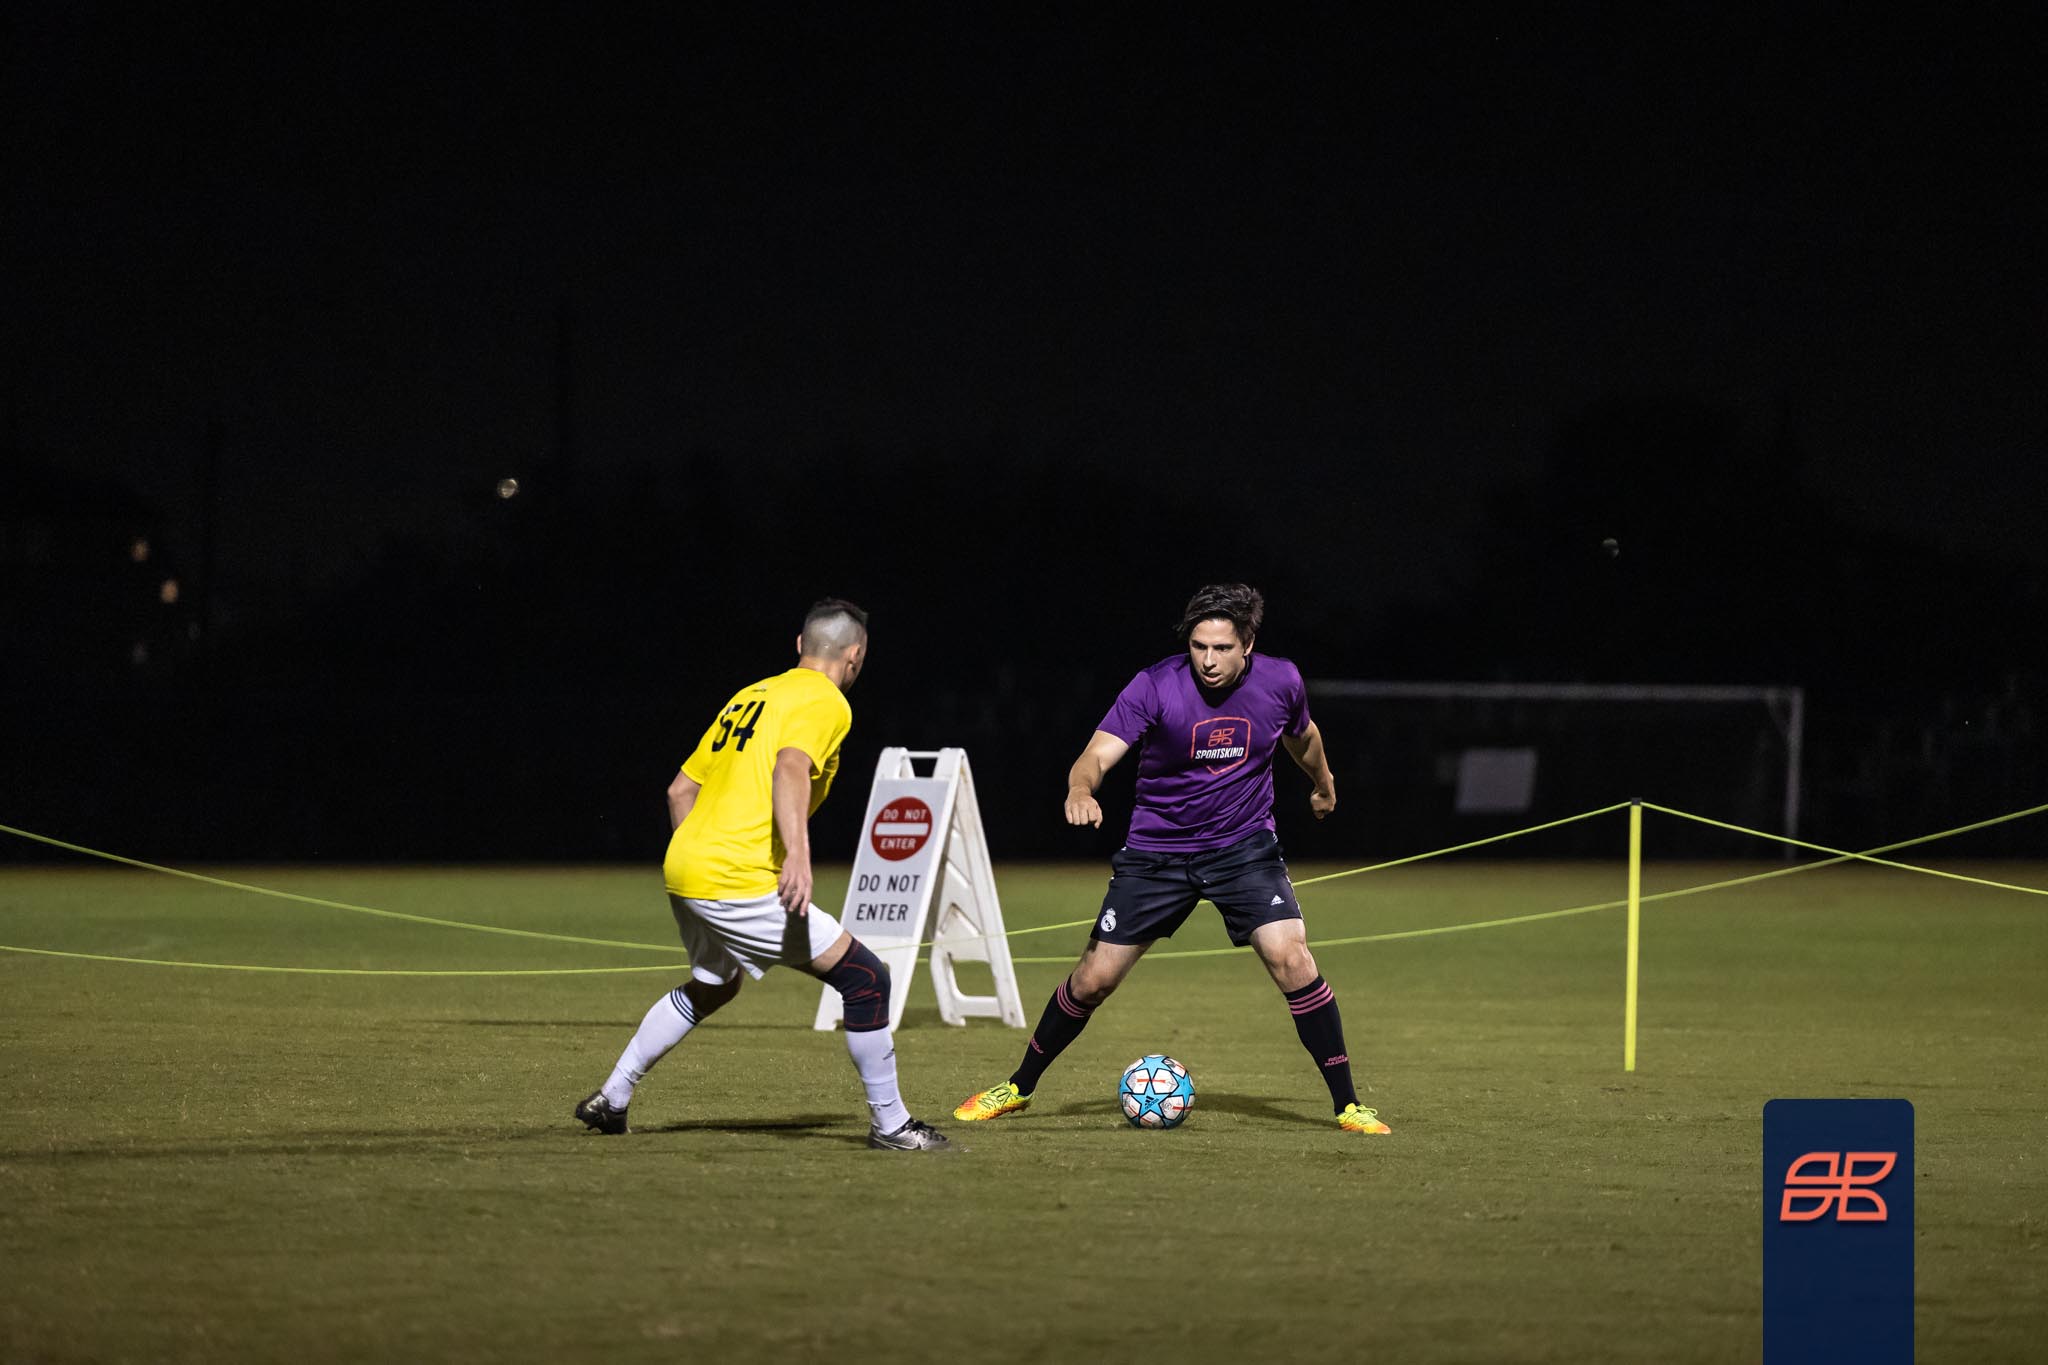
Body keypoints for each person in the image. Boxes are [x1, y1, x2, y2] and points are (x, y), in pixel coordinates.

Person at [952, 583, 1390, 1135]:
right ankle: (1018, 1087)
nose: (1208, 660)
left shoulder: (1282, 680)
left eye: (1222, 648)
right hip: (1157, 853)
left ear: (1248, 644)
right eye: (1199, 646)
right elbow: (1096, 755)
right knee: (1093, 980)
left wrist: (1323, 783)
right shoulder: (1155, 685)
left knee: (1292, 957)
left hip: (1243, 848)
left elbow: (1302, 737)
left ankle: (1348, 1104)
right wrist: (1080, 790)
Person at [576, 598, 950, 1151]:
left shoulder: (750, 695)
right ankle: (892, 1126)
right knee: (866, 978)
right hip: (736, 875)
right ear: (855, 655)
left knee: (714, 985)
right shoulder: (827, 700)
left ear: (800, 645)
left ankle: (612, 1098)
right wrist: (797, 854)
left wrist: (699, 861)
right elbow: (790, 766)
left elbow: (680, 790)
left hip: (685, 864)